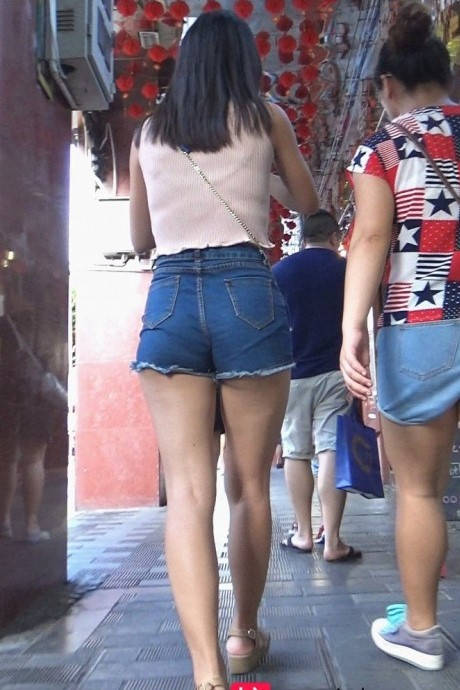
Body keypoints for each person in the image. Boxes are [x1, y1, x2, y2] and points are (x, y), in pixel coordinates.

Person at [129, 11, 319, 690]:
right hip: (246, 289)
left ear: (185, 63)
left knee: (188, 494)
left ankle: (208, 675)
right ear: (244, 60)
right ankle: (243, 635)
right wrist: (262, 176)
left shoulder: (150, 131)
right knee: (248, 486)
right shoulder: (267, 118)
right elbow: (308, 201)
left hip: (172, 297)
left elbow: (142, 237)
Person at [342, 2, 460, 671]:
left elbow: (372, 239)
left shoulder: (383, 147)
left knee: (420, 489)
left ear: (387, 85)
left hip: (421, 325)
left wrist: (350, 329)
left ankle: (420, 630)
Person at [273, 210, 361, 562]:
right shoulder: (347, 270)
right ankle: (333, 541)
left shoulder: (280, 272)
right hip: (335, 373)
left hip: (292, 374)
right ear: (335, 237)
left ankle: (303, 534)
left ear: (303, 238)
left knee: (296, 451)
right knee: (331, 450)